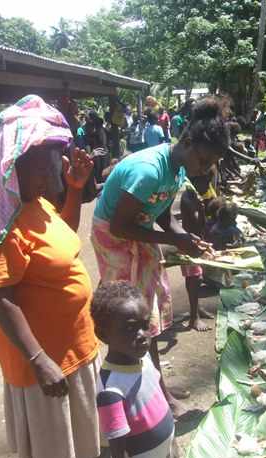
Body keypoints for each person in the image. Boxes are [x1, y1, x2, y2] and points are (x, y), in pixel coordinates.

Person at [0, 95, 100, 458]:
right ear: (11, 164)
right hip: (43, 354)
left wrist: (72, 190)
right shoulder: (0, 226)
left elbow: (65, 238)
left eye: (53, 160)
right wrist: (39, 361)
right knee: (51, 446)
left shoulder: (36, 204)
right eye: (42, 163)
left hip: (71, 342)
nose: (51, 169)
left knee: (72, 437)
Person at [91, 97, 229, 416]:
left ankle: (155, 385)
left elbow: (164, 215)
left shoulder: (178, 170)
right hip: (115, 237)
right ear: (189, 142)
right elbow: (120, 225)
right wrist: (172, 239)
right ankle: (140, 394)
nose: (204, 169)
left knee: (147, 313)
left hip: (136, 231)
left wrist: (183, 237)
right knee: (131, 318)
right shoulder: (150, 171)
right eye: (203, 160)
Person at [91, 281, 175, 458]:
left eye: (145, 325)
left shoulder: (144, 358)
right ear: (103, 334)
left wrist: (171, 442)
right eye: (129, 328)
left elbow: (159, 400)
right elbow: (119, 453)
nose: (141, 334)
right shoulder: (111, 391)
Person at [180, 176, 215, 332]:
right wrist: (201, 209)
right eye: (205, 182)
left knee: (195, 277)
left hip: (195, 242)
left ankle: (197, 308)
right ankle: (194, 318)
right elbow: (195, 221)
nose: (207, 186)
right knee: (195, 278)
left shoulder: (194, 196)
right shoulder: (188, 198)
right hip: (187, 244)